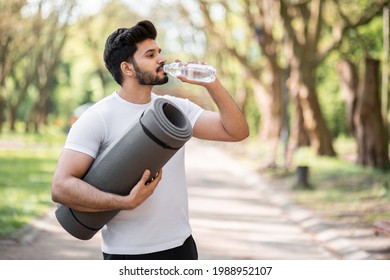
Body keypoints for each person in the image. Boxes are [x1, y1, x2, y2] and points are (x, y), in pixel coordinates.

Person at [51, 20, 249, 260]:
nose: (161, 59)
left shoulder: (175, 108)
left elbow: (236, 132)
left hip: (182, 245)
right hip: (128, 253)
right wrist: (125, 202)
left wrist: (212, 84)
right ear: (127, 68)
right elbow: (61, 187)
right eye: (150, 54)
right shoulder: (98, 118)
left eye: (159, 52)